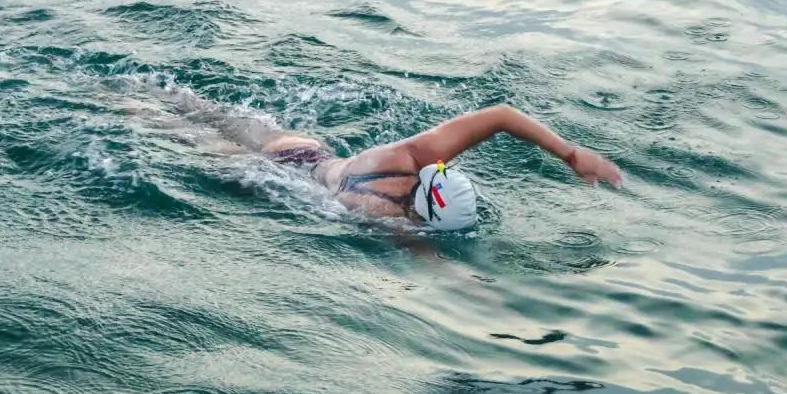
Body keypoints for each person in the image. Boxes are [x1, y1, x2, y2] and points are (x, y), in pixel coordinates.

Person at [147, 87, 624, 230]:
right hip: (269, 173)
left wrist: (572, 154)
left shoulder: (411, 157)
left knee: (188, 109)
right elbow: (420, 257)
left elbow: (499, 114)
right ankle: (129, 103)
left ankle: (139, 93)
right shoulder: (381, 212)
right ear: (422, 212)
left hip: (300, 148)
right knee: (169, 130)